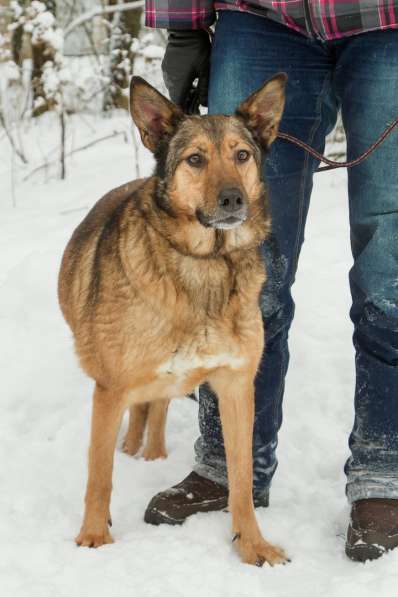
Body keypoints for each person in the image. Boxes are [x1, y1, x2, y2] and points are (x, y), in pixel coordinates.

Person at [143, 0, 398, 562]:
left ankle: (384, 472)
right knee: (239, 267)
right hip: (262, 18)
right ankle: (227, 464)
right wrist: (183, 25)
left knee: (392, 271)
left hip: (386, 23)